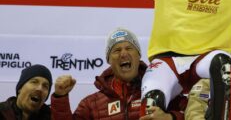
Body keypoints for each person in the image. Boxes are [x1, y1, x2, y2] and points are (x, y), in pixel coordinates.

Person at [51, 27, 184, 120]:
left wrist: (170, 118)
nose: (124, 53)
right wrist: (60, 98)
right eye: (116, 50)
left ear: (139, 56)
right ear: (109, 60)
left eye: (129, 48)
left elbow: (193, 114)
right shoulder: (91, 104)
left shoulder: (162, 89)